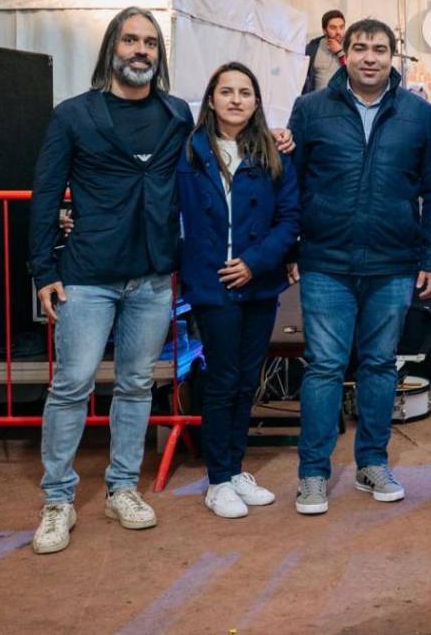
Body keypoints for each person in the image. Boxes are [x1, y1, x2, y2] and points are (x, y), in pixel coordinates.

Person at [28, 7, 195, 554]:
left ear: (158, 54)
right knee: (71, 386)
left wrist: (280, 137)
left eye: (149, 42)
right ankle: (58, 499)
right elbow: (46, 195)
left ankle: (122, 488)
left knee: (135, 385)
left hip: (151, 277)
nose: (140, 50)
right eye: (130, 40)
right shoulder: (73, 115)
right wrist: (43, 270)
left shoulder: (177, 115)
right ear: (112, 48)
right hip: (86, 277)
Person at [287, 18, 431, 515]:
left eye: (380, 49)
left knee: (379, 365)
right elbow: (290, 185)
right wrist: (293, 249)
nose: (370, 57)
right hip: (325, 262)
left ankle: (371, 463)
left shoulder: (419, 115)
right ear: (345, 55)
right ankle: (312, 474)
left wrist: (430, 257)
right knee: (325, 368)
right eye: (361, 48)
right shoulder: (310, 110)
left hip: (393, 263)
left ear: (392, 56)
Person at [176, 62, 299, 519]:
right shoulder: (190, 152)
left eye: (245, 92)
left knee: (248, 380)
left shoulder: (274, 152)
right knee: (223, 380)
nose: (235, 99)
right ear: (211, 99)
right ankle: (218, 479)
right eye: (226, 91)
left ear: (256, 102)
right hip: (213, 288)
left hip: (259, 285)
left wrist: (255, 262)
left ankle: (234, 468)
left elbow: (290, 219)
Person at [303, 9, 346, 94]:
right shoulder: (312, 48)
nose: (338, 32)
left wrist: (340, 52)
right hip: (317, 103)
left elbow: (355, 72)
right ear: (324, 30)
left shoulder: (351, 47)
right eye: (333, 28)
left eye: (341, 27)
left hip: (342, 103)